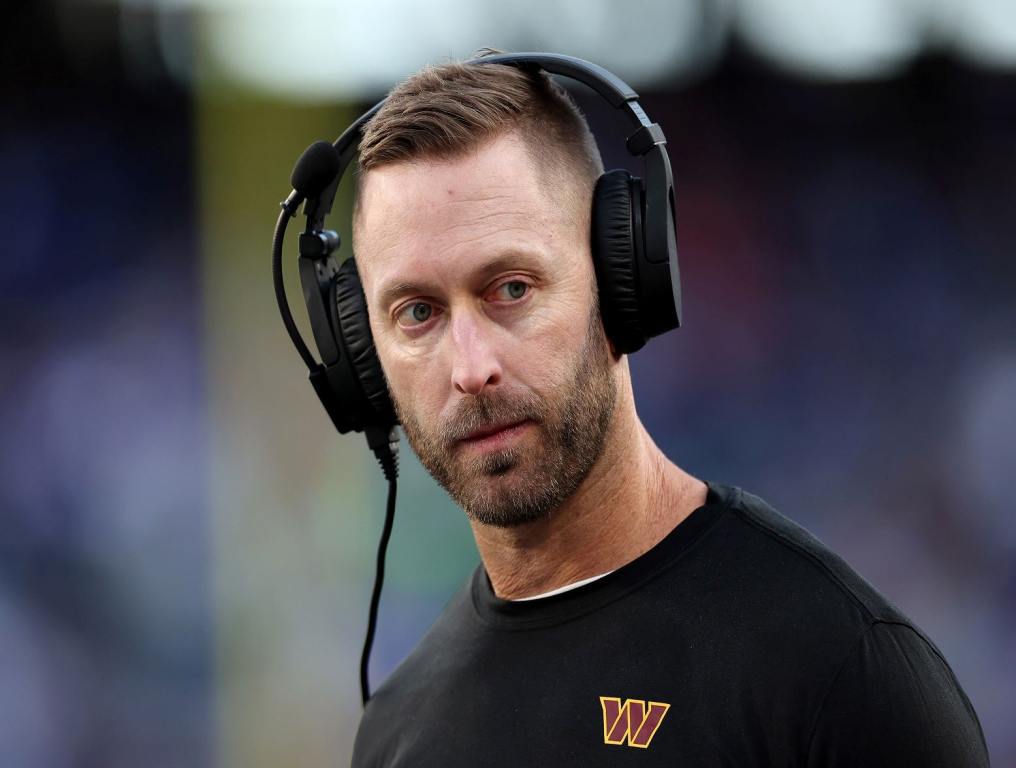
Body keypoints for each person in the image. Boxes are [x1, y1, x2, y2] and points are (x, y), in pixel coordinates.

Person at [346, 58, 989, 766]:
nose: (471, 368)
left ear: (624, 281)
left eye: (512, 289)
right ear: (362, 356)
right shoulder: (394, 730)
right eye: (417, 313)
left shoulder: (841, 677)